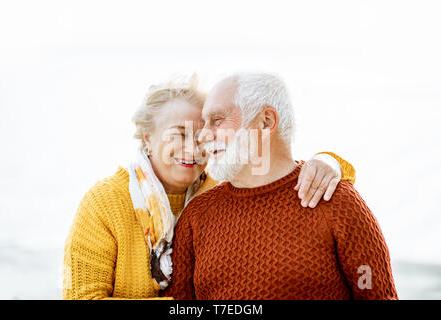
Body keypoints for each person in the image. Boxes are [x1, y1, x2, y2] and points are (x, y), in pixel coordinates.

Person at [63, 75, 356, 299]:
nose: (193, 148)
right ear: (148, 138)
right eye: (179, 134)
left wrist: (330, 162)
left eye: (202, 134)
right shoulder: (105, 203)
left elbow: (282, 179)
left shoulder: (223, 191)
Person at [161, 73, 398, 300]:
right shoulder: (196, 215)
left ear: (266, 122)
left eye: (217, 120)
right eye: (204, 123)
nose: (202, 136)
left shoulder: (337, 202)